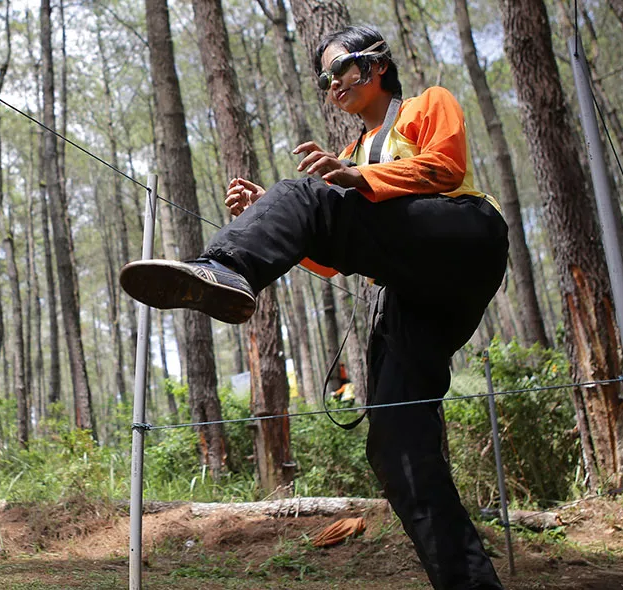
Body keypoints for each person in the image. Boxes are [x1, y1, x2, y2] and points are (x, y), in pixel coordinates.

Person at [120, 26, 509, 589]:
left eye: (337, 72)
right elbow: (329, 258)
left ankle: (225, 268)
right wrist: (272, 212)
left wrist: (352, 181)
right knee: (395, 445)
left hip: (465, 239)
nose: (330, 87)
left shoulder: (429, 104)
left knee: (304, 195)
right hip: (416, 295)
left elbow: (444, 167)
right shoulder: (347, 155)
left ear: (374, 66)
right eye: (322, 81)